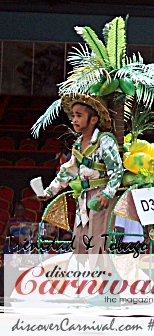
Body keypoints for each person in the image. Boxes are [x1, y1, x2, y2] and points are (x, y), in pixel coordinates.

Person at [37, 95, 123, 255]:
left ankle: (100, 271)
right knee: (80, 241)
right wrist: (50, 191)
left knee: (97, 241)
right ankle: (82, 270)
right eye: (73, 116)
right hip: (84, 197)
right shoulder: (78, 145)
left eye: (79, 116)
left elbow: (117, 170)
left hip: (101, 195)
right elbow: (68, 171)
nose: (74, 120)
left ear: (93, 120)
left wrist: (107, 194)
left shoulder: (104, 140)